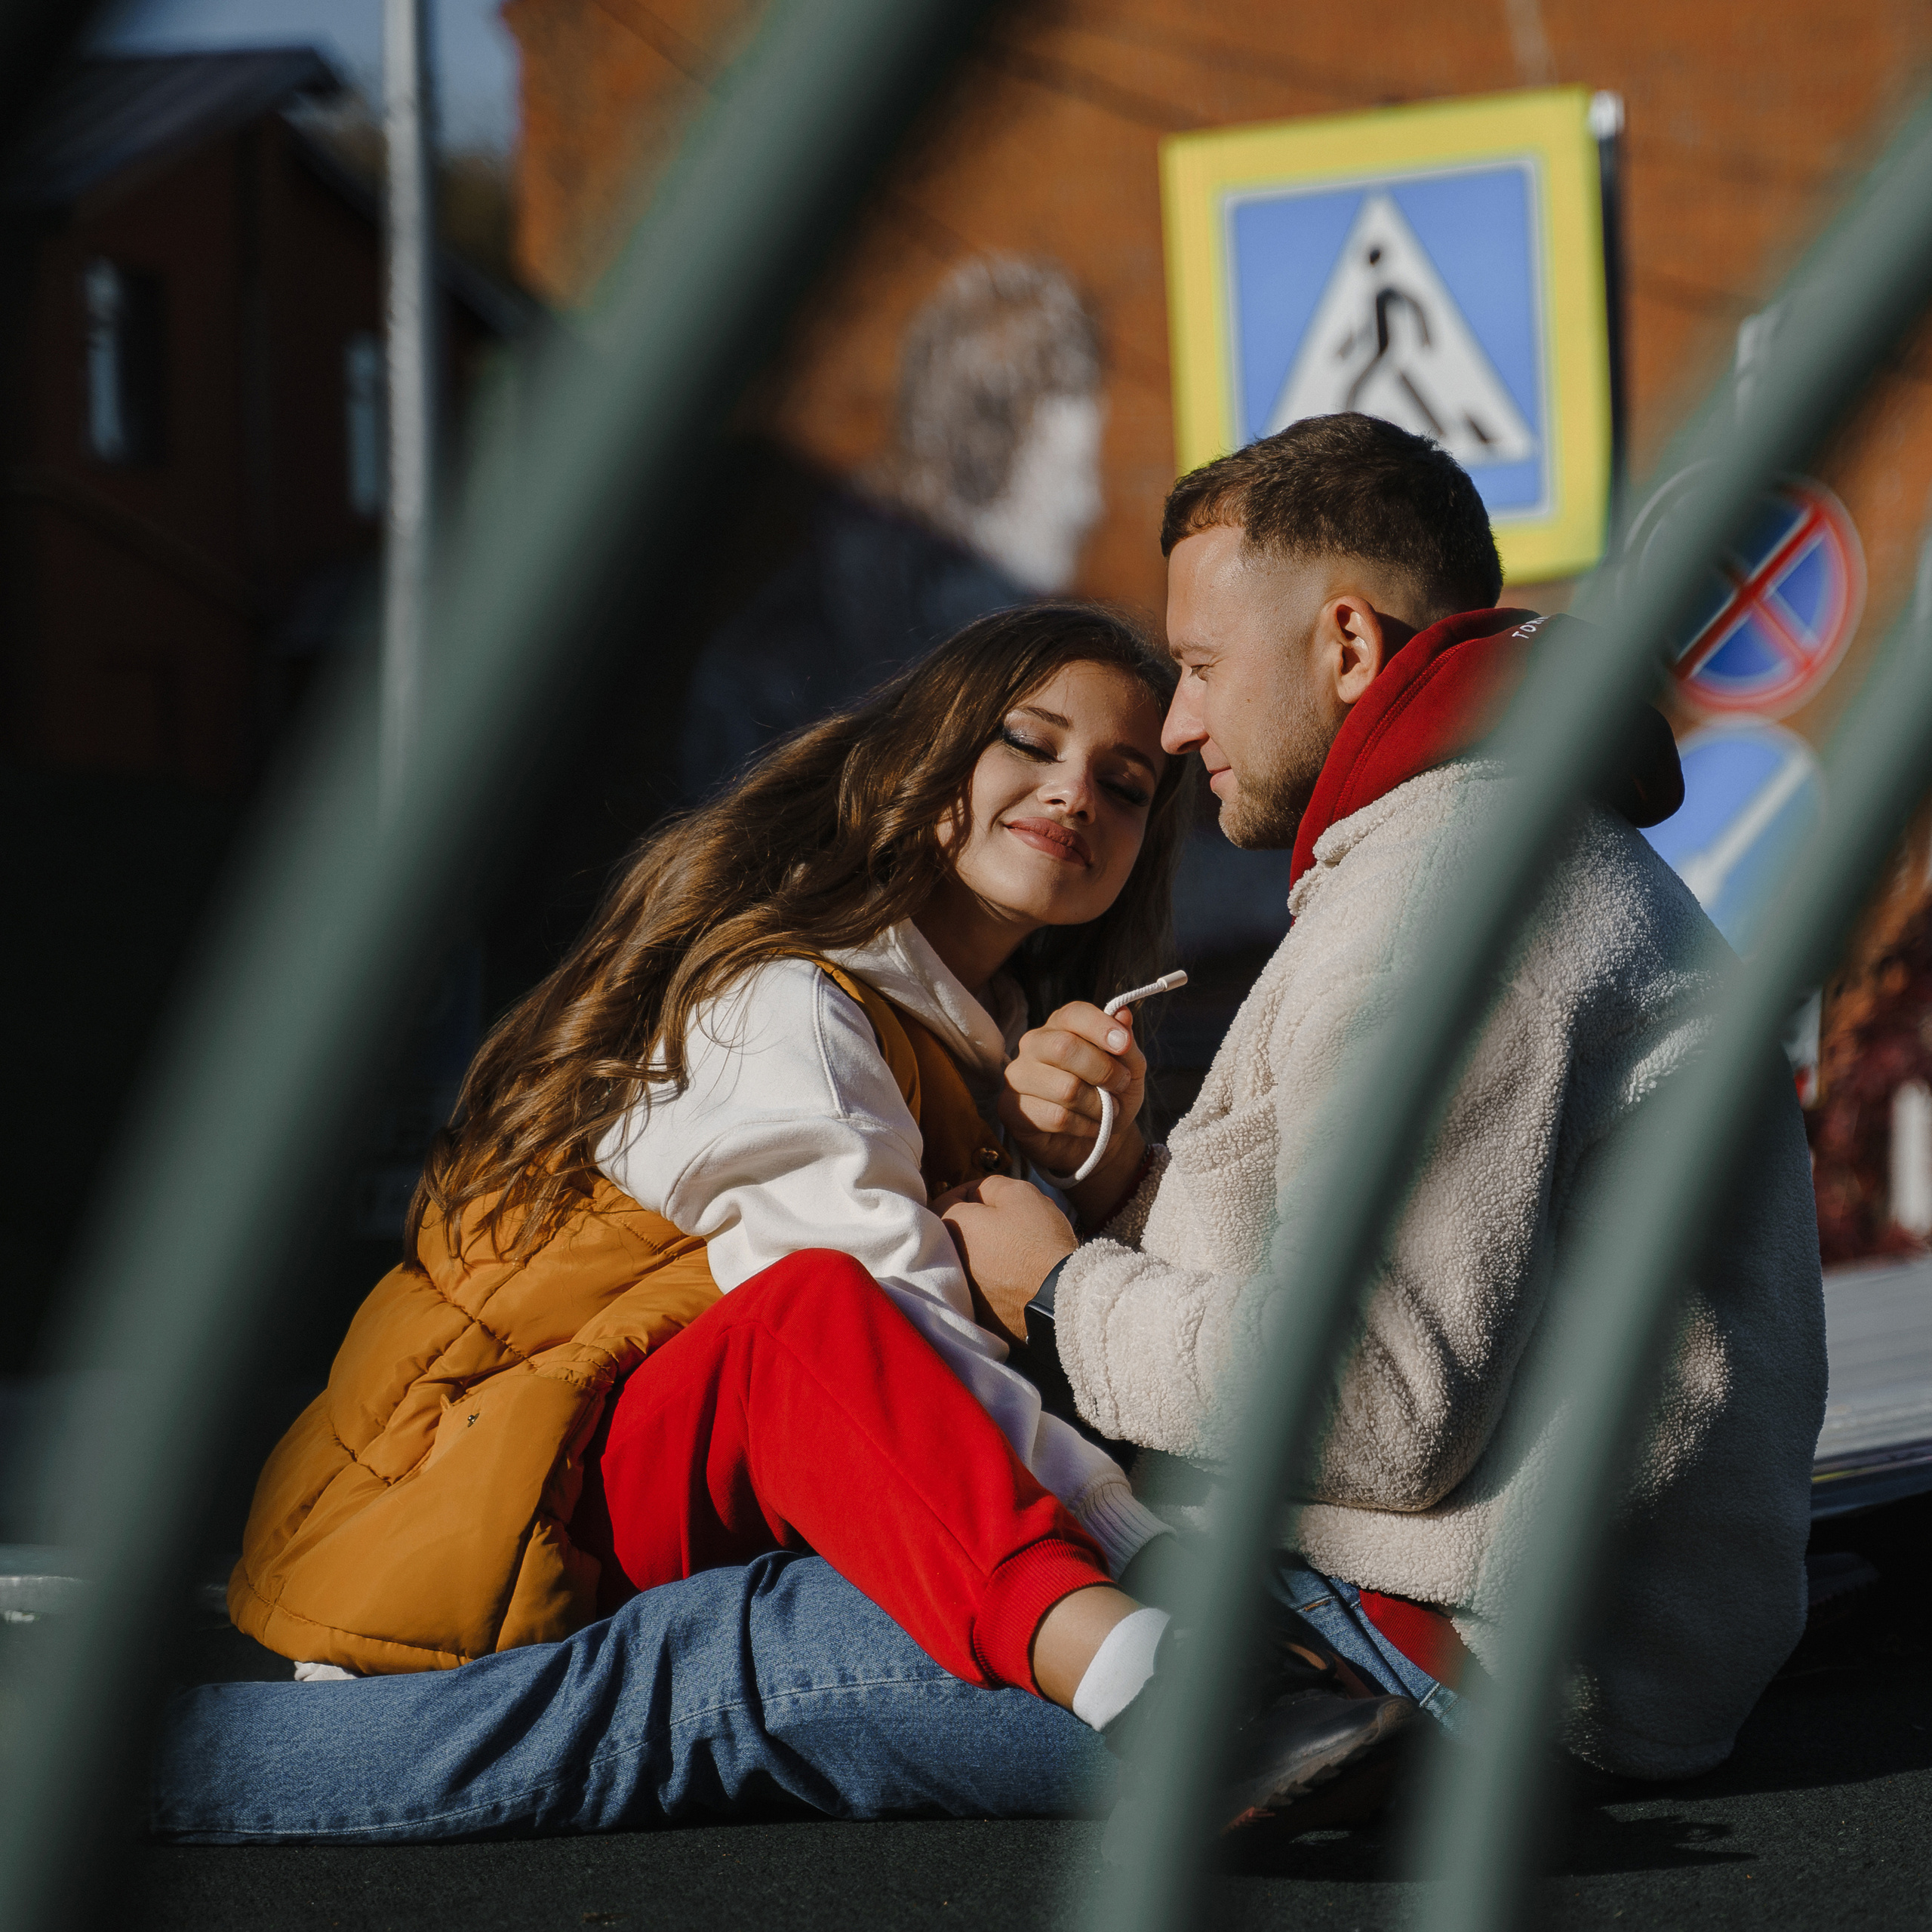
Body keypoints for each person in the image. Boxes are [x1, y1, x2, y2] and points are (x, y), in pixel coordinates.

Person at [199, 600, 1417, 1839]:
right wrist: (1148, 1553)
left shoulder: (970, 1047)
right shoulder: (789, 1003)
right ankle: (1165, 1695)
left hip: (624, 1476)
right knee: (814, 1315)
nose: (1076, 795)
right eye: (1030, 743)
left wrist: (1096, 1174)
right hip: (495, 1508)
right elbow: (888, 1335)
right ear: (931, 760)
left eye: (1125, 781)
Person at [950, 413, 1826, 1782]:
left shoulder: (1445, 900)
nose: (1178, 728)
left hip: (1442, 1654)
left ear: (1347, 645)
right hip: (1532, 1637)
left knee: (740, 1652)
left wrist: (1065, 1299)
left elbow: (1375, 1396)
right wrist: (1126, 1179)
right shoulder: (1469, 853)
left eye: (1196, 668)